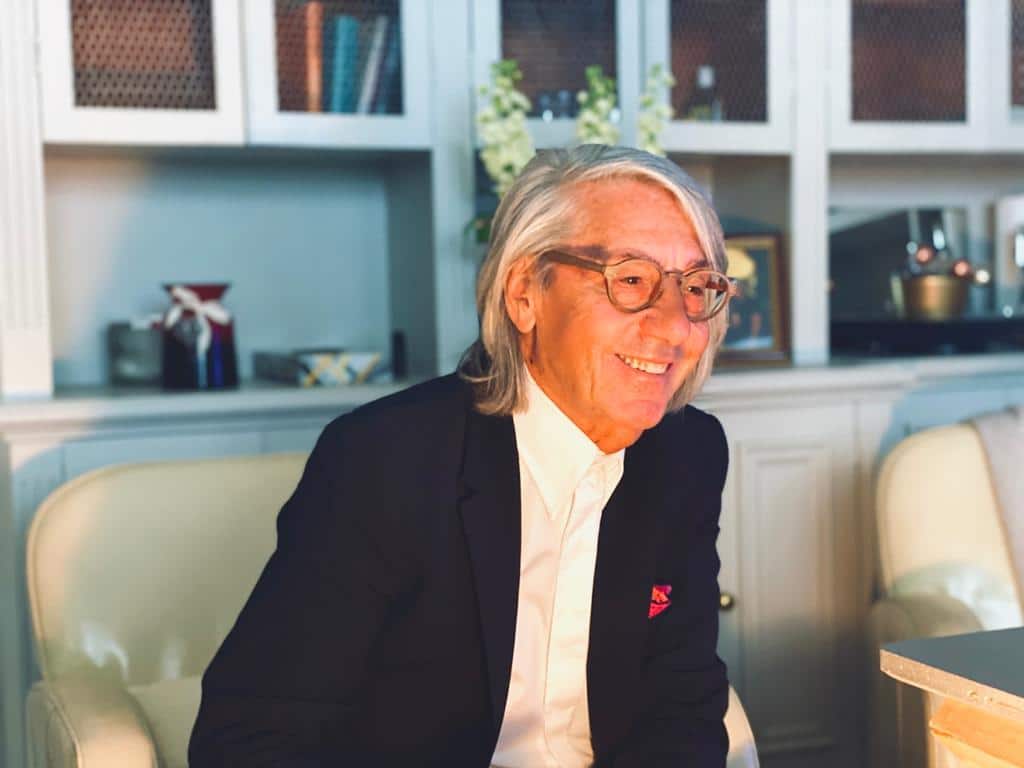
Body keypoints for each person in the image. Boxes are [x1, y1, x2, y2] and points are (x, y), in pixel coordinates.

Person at [189, 144, 735, 767]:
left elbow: (681, 704)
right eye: (631, 280)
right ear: (524, 294)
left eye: (697, 287)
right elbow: (248, 741)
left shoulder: (687, 454)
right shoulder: (386, 461)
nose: (675, 326)